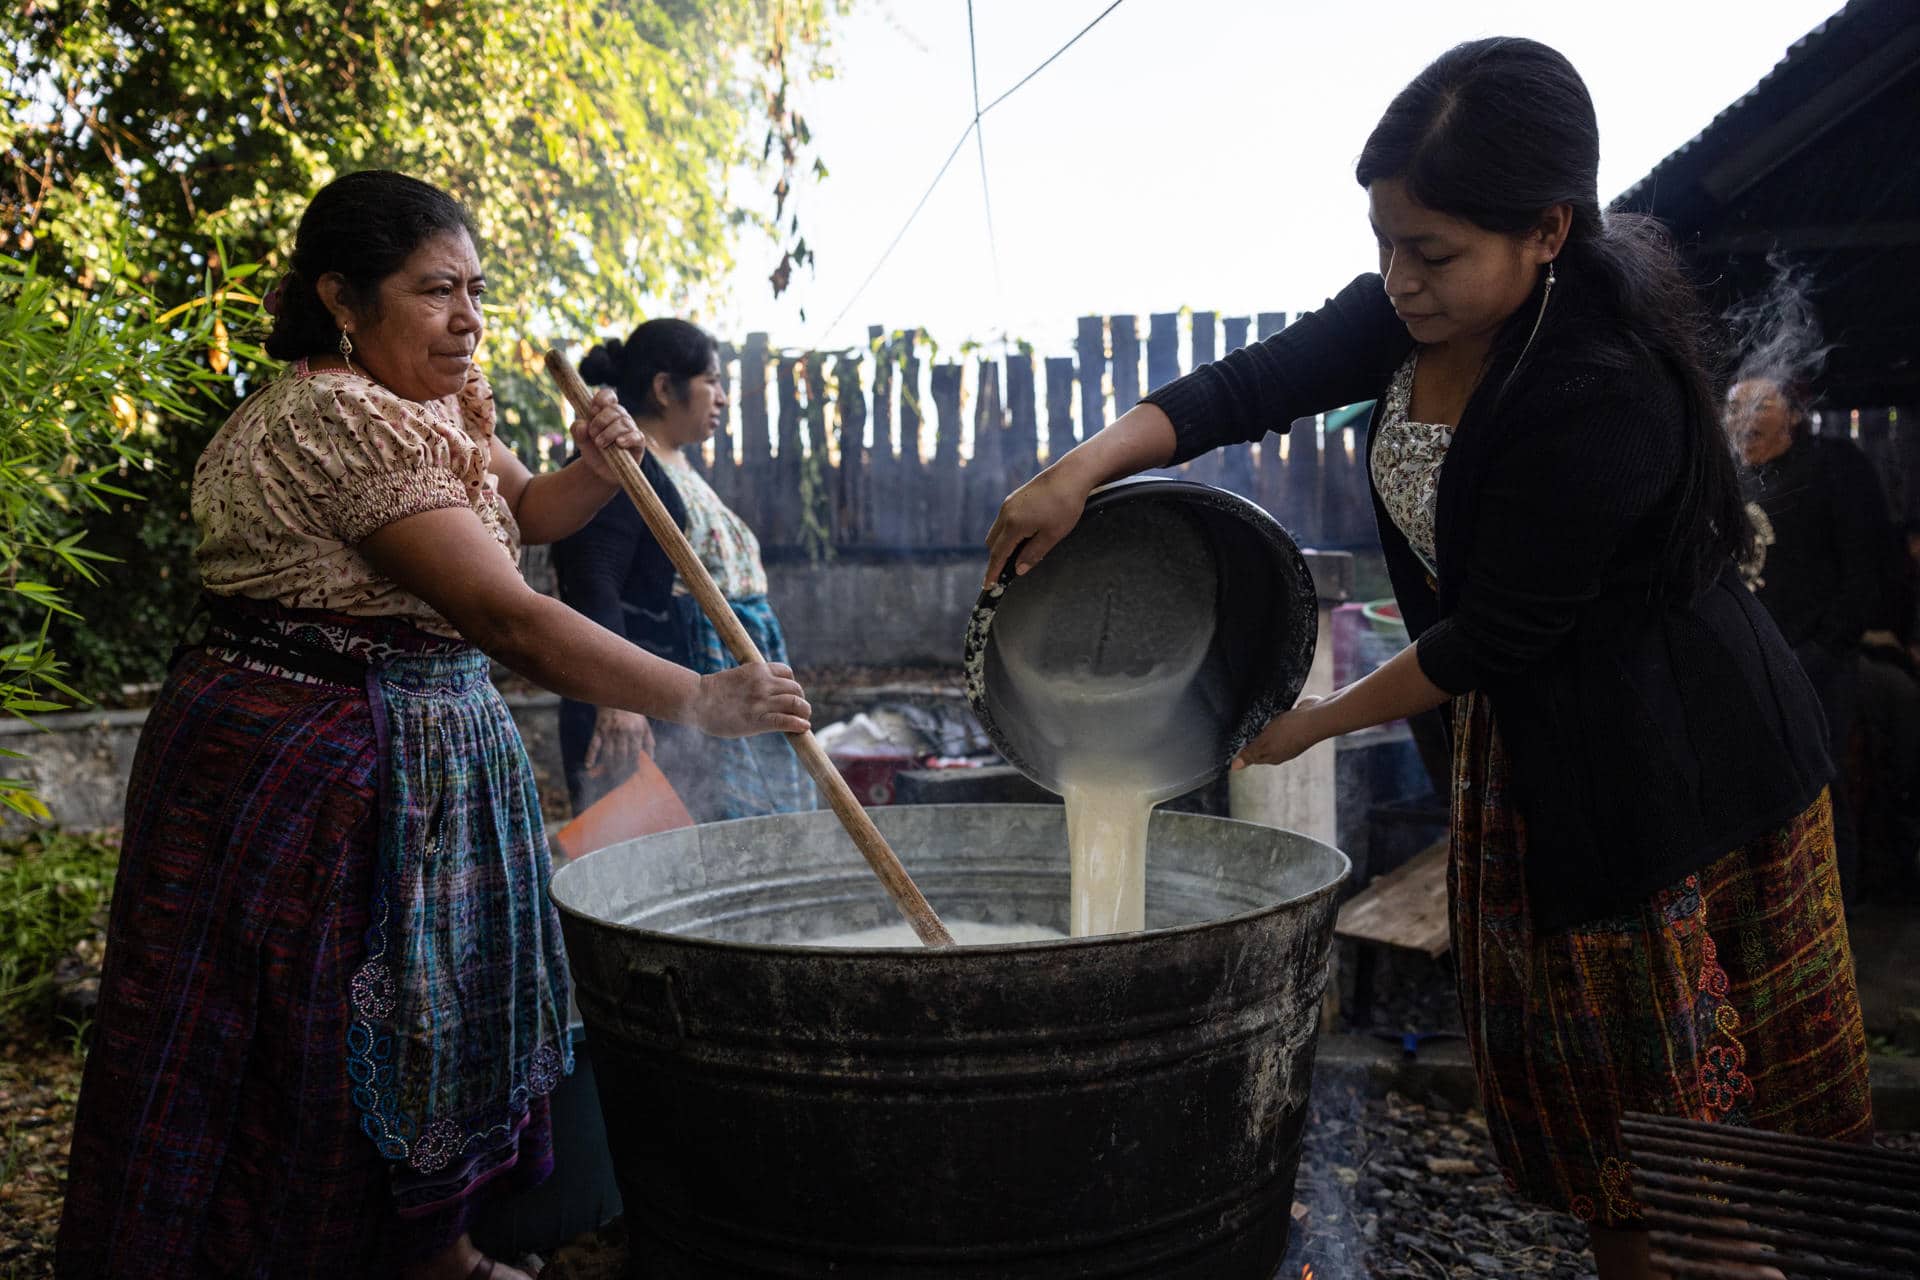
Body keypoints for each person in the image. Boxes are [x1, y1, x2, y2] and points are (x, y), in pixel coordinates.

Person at [985, 39, 1869, 1280]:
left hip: (1672, 774)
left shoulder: (1598, 384)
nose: (1399, 276)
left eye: (1433, 250)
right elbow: (1253, 382)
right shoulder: (1410, 314)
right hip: (1531, 750)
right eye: (1384, 241)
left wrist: (1314, 719)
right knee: (1607, 1142)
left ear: (1549, 229)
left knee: (1686, 1157)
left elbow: (1498, 633)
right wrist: (1077, 470)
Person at [56, 172, 811, 1280]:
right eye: (434, 292)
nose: (469, 319)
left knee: (430, 1025)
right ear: (343, 301)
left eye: (476, 289)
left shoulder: (437, 408)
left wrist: (599, 470)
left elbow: (530, 515)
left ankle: (433, 1250)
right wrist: (695, 697)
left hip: (415, 763)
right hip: (311, 777)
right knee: (314, 1037)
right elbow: (502, 609)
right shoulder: (333, 417)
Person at [552, 319, 816, 823]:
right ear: (663, 387)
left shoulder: (678, 466)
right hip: (658, 701)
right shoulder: (620, 465)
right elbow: (590, 583)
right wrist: (618, 701)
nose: (722, 397)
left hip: (718, 691)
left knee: (728, 864)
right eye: (711, 381)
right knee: (663, 870)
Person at [1724, 305, 1895, 903]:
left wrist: (1822, 649)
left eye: (1757, 407)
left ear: (1793, 418)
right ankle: (1764, 913)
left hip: (1814, 665)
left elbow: (1865, 571)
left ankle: (1832, 911)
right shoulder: (1727, 482)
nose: (1741, 419)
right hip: (1742, 667)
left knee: (1821, 786)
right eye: (1733, 407)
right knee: (1745, 790)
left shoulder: (1832, 468)